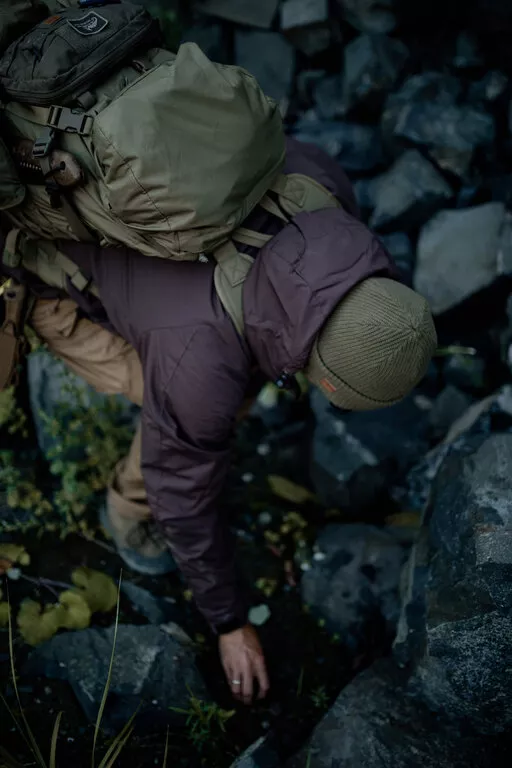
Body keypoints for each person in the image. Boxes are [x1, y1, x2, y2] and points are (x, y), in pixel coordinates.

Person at [0, 136, 437, 704]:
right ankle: (127, 512)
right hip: (51, 264)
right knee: (171, 411)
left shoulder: (322, 187)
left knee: (211, 392)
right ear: (326, 381)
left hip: (155, 248)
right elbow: (181, 492)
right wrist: (229, 621)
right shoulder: (198, 367)